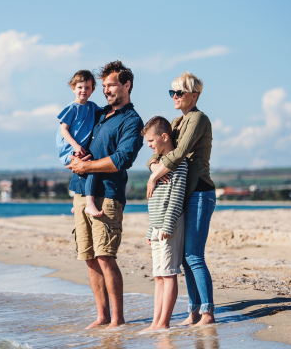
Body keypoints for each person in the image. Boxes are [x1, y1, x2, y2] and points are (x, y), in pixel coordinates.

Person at [67, 61, 144, 329]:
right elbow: (73, 129)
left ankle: (118, 319)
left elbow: (122, 159)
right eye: (104, 86)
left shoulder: (132, 121)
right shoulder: (99, 114)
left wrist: (87, 166)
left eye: (111, 85)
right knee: (88, 256)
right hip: (81, 193)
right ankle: (102, 316)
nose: (106, 90)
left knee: (105, 256)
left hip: (108, 195)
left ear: (127, 85)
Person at [146, 72, 216, 326]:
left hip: (200, 193)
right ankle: (193, 311)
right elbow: (157, 154)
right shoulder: (175, 122)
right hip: (184, 194)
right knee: (185, 258)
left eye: (180, 93)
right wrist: (153, 166)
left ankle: (207, 312)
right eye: (172, 92)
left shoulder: (198, 119)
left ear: (194, 96)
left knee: (194, 255)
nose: (174, 96)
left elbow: (179, 154)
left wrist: (154, 177)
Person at [139, 116, 188, 332]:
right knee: (158, 276)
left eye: (151, 140)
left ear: (164, 136)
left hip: (170, 227)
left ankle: (164, 323)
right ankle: (155, 322)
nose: (149, 145)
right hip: (157, 227)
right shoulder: (158, 166)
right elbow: (156, 202)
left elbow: (176, 198)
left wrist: (167, 226)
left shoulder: (179, 164)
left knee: (168, 275)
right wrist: (152, 228)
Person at [56, 70, 104, 217]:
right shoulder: (71, 108)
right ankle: (89, 204)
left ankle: (77, 205)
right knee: (90, 168)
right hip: (70, 147)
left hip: (81, 147)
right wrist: (75, 146)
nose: (83, 90)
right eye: (80, 87)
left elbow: (104, 113)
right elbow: (64, 129)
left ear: (93, 90)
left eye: (87, 87)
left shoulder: (92, 106)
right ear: (73, 88)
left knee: (83, 171)